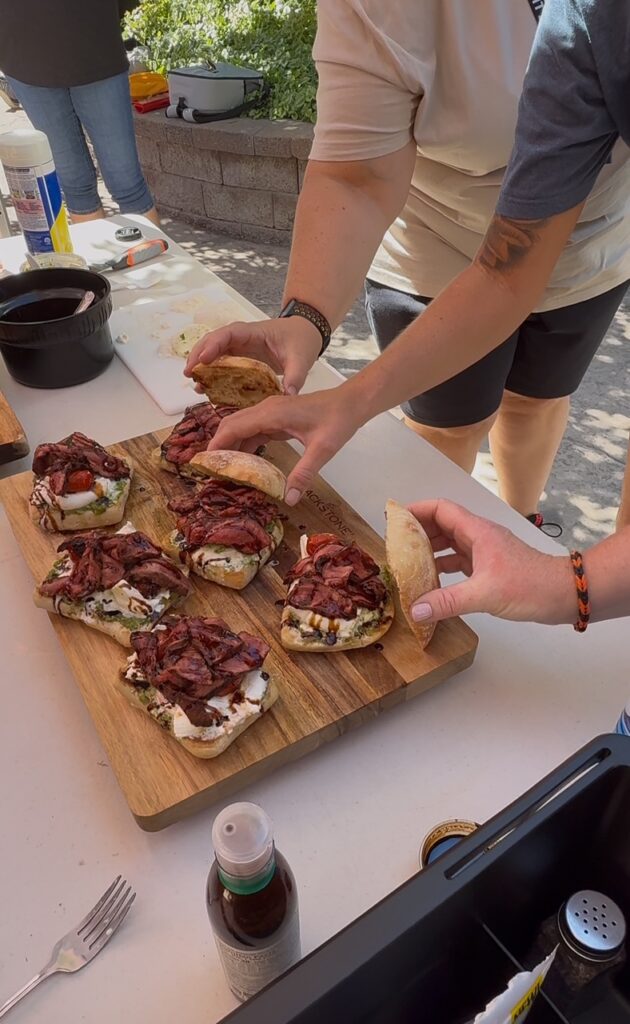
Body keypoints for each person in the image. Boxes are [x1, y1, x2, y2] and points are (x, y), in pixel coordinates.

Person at [192, 0, 630, 630]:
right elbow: (505, 271)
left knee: (538, 401)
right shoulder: (584, 26)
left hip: (597, 246)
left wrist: (573, 586)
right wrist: (313, 330)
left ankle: (522, 521)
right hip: (444, 244)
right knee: (450, 425)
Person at [0, 1, 159, 225]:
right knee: (74, 184)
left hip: (95, 48)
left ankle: (149, 249)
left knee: (126, 182)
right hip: (24, 57)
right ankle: (99, 250)